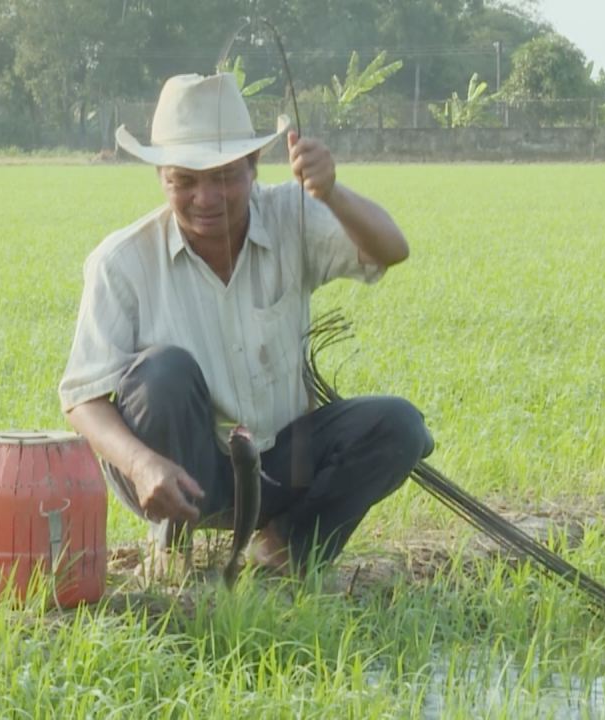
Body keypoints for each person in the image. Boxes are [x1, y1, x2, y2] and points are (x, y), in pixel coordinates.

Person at [58, 73, 433, 575]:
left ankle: (284, 547)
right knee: (162, 372)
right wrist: (142, 465)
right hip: (179, 473)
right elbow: (83, 399)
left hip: (281, 465)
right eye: (184, 181)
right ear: (161, 178)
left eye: (224, 176)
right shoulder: (122, 262)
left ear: (254, 167)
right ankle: (174, 545)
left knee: (399, 425)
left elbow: (392, 250)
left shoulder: (291, 216)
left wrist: (333, 192)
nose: (206, 198)